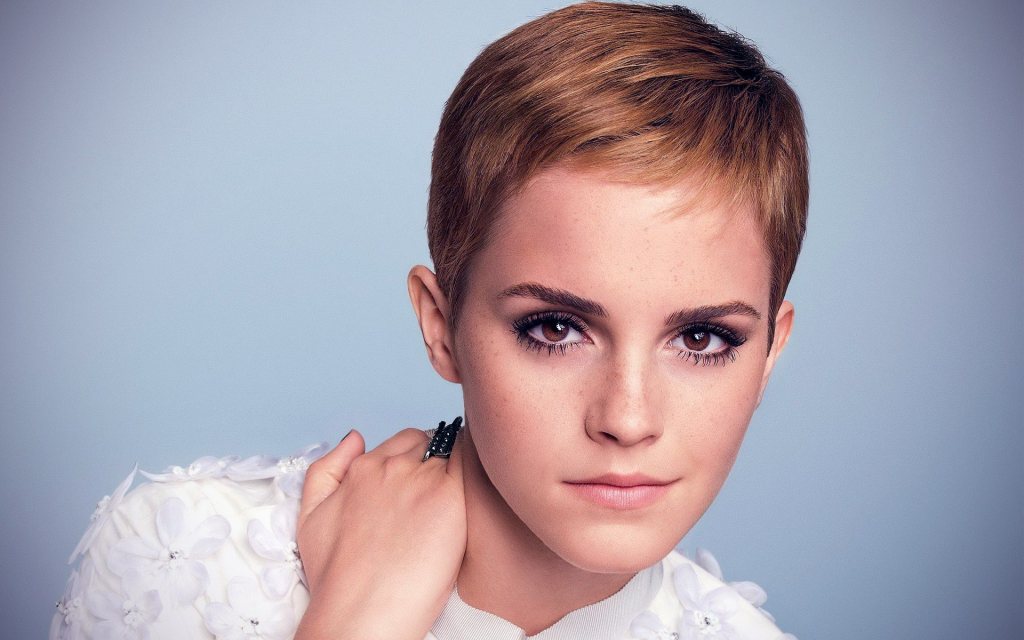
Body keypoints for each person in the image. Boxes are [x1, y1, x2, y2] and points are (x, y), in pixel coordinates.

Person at [50, 3, 807, 639]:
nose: (627, 419)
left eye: (702, 339)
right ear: (441, 325)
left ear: (769, 354)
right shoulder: (176, 563)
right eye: (555, 328)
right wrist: (362, 615)